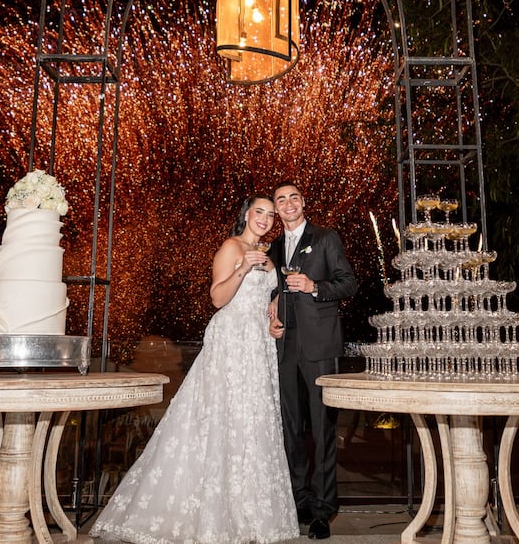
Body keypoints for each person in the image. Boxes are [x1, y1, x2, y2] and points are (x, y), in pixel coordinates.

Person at [91, 194, 298, 544]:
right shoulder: (231, 247)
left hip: (258, 345)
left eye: (270, 214)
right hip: (230, 341)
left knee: (252, 420)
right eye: (259, 212)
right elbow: (218, 298)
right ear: (246, 214)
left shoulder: (268, 256)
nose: (265, 218)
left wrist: (273, 314)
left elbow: (266, 298)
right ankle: (212, 512)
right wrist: (243, 268)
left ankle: (247, 512)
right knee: (221, 418)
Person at [268, 181, 358, 540]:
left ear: (303, 202)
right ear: (276, 209)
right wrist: (271, 309)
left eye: (293, 197)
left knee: (322, 430)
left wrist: (314, 287)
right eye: (281, 199)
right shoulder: (274, 247)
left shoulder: (325, 238)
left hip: (320, 346)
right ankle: (299, 500)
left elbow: (348, 283)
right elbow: (272, 291)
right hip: (284, 347)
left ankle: (323, 509)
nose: (288, 203)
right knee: (290, 429)